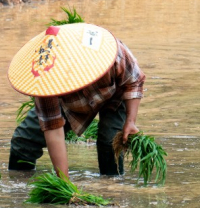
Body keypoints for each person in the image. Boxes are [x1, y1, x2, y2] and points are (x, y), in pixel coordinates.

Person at [8, 22, 145, 179]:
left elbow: (134, 81)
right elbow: (53, 130)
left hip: (113, 95)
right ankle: (19, 186)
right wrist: (64, 184)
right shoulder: (46, 80)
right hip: (68, 102)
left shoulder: (112, 53)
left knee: (109, 142)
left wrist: (130, 121)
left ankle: (113, 187)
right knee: (23, 141)